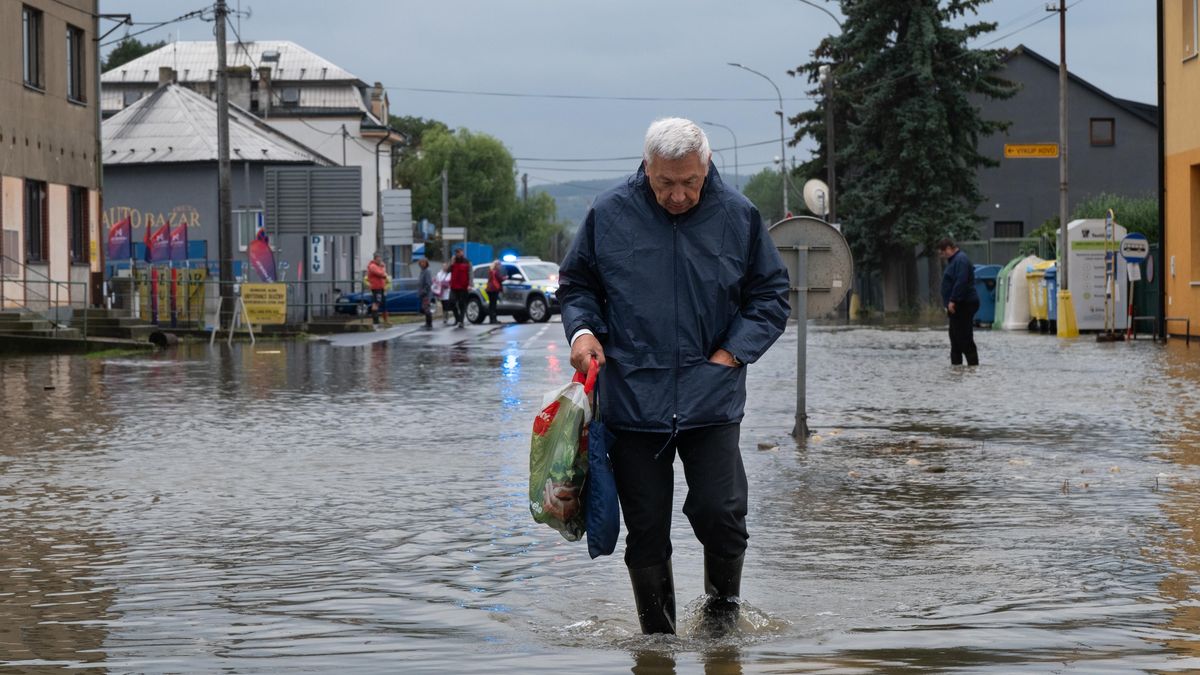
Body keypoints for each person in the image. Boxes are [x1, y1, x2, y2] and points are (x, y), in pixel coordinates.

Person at [558, 117, 790, 635]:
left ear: (707, 167)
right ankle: (657, 643)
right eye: (666, 182)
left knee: (721, 513)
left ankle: (721, 624)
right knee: (645, 530)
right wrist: (583, 334)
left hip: (712, 396)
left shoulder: (738, 216)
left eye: (690, 182)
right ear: (647, 167)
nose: (679, 195)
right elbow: (577, 286)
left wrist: (731, 354)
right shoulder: (609, 214)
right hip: (633, 399)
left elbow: (771, 296)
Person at [937, 237, 980, 366]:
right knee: (955, 340)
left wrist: (953, 300)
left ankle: (973, 368)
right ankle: (956, 370)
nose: (942, 256)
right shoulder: (954, 261)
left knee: (964, 338)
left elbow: (961, 281)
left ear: (948, 249)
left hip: (963, 304)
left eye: (943, 253)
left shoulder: (961, 260)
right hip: (957, 306)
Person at [448, 248, 473, 328]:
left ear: (462, 252)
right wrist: (451, 263)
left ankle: (461, 321)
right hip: (454, 286)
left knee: (462, 304)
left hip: (463, 287)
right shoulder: (453, 261)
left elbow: (470, 274)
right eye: (456, 252)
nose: (457, 254)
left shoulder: (467, 262)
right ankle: (457, 318)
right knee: (451, 302)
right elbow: (448, 270)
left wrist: (470, 284)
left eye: (459, 252)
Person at [366, 251, 389, 329]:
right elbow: (381, 274)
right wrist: (383, 268)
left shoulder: (378, 266)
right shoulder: (373, 266)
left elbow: (384, 275)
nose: (380, 261)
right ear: (375, 259)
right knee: (376, 303)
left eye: (380, 259)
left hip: (381, 287)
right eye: (379, 259)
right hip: (376, 288)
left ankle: (385, 320)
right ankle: (375, 321)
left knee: (382, 303)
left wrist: (383, 270)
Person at [486, 259, 506, 324]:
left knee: (491, 305)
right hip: (494, 289)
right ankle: (494, 319)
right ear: (497, 265)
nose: (500, 266)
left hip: (489, 289)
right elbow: (500, 279)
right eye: (499, 265)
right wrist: (505, 278)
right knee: (493, 305)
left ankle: (491, 319)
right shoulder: (496, 271)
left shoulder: (491, 271)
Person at [417, 257, 434, 329]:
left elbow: (428, 283)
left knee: (427, 308)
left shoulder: (427, 271)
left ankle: (429, 324)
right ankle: (427, 323)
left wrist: (424, 291)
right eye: (421, 262)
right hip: (422, 293)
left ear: (426, 263)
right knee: (425, 308)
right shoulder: (422, 271)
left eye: (424, 262)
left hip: (426, 293)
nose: (422, 264)